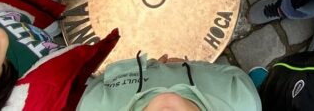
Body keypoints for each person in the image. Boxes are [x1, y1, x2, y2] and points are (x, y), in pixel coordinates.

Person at [77, 54, 262, 110]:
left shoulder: (93, 105)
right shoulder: (241, 99)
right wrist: (191, 65)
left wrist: (147, 66)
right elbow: (230, 73)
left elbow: (103, 80)